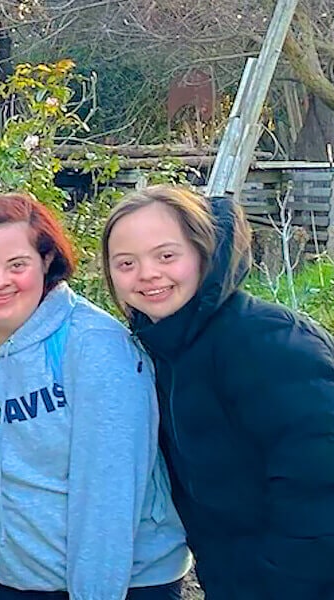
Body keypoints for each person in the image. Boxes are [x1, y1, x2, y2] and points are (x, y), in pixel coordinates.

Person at [0, 193, 190, 600]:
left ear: (45, 262)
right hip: (13, 579)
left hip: (128, 578)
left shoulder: (93, 346)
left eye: (17, 265)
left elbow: (108, 497)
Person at [102, 184, 334, 598]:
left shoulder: (271, 344)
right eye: (126, 263)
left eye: (166, 255)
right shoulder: (159, 350)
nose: (147, 273)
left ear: (203, 253)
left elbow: (319, 496)